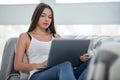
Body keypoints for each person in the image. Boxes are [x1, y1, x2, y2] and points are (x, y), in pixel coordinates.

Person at [14, 2, 90, 80]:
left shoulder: (56, 37)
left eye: (50, 17)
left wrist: (80, 58)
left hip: (60, 70)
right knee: (65, 65)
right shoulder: (25, 36)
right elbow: (17, 65)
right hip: (38, 75)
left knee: (91, 61)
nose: (47, 19)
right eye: (43, 16)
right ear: (36, 17)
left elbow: (63, 57)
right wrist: (40, 65)